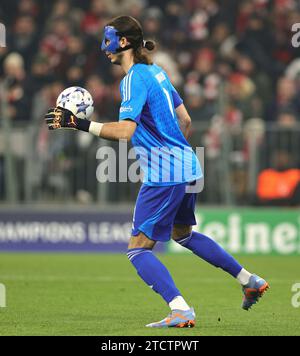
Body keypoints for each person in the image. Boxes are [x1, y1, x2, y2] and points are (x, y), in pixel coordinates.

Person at [44, 15, 269, 328]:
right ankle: (249, 280)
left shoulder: (134, 78)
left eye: (107, 38)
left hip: (166, 174)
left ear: (123, 42)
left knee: (137, 249)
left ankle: (180, 309)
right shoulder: (158, 72)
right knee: (183, 235)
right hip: (188, 165)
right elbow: (186, 120)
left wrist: (78, 123)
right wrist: (175, 153)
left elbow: (124, 131)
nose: (103, 45)